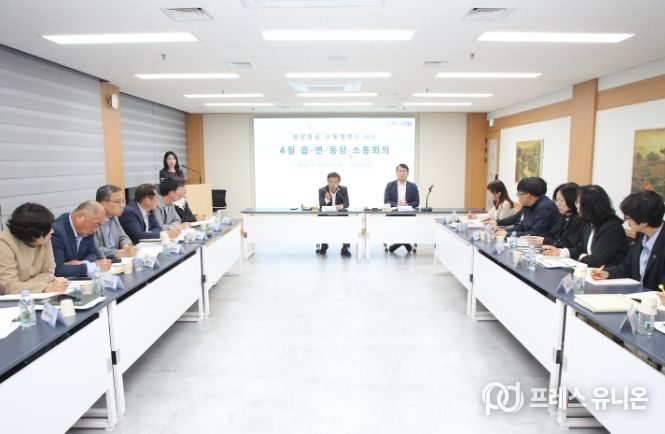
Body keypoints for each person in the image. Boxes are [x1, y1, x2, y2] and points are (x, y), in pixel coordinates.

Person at [591, 190, 665, 294]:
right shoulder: (641, 234)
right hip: (637, 296)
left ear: (644, 221)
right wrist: (607, 273)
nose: (626, 221)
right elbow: (627, 267)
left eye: (628, 217)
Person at [543, 185, 628, 267]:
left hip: (606, 274)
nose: (576, 206)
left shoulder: (611, 228)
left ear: (588, 205)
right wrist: (559, 252)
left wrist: (581, 257)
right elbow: (580, 248)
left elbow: (596, 260)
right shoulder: (590, 223)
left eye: (578, 202)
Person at [0, 203, 69, 294]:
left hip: (32, 296)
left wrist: (22, 286)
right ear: (33, 235)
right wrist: (44, 288)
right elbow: (8, 287)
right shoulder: (4, 243)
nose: (52, 231)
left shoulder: (44, 238)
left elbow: (49, 273)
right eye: (48, 229)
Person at [51, 201, 112, 278]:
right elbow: (57, 270)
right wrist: (91, 267)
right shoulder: (57, 231)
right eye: (97, 224)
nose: (95, 230)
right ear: (80, 218)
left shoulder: (87, 230)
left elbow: (93, 253)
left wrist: (83, 263)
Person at [492, 177, 559, 238]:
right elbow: (522, 227)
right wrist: (505, 231)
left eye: (519, 194)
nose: (518, 197)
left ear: (527, 196)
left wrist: (507, 234)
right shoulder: (528, 204)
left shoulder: (545, 208)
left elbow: (535, 234)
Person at [523, 182, 583, 248]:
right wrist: (536, 238)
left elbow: (569, 243)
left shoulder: (578, 219)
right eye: (557, 200)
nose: (558, 204)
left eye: (561, 200)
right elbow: (552, 235)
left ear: (572, 200)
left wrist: (544, 240)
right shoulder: (563, 216)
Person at [384, 163, 420, 254]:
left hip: (408, 214)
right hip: (394, 214)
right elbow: (386, 201)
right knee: (398, 228)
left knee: (406, 226)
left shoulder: (413, 186)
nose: (402, 173)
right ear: (396, 172)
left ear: (408, 173)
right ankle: (405, 243)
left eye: (404, 171)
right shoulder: (390, 185)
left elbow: (417, 202)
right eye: (400, 171)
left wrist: (407, 204)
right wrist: (397, 204)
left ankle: (398, 244)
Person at [94, 184, 135, 259]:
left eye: (123, 201)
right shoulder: (93, 221)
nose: (122, 206)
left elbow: (123, 237)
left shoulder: (114, 217)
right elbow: (94, 248)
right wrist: (117, 253)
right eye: (118, 202)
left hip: (117, 261)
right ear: (103, 204)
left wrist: (125, 246)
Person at [316, 172, 351, 257]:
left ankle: (345, 247)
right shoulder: (322, 190)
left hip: (339, 213)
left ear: (339, 182)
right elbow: (321, 205)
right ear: (327, 181)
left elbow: (346, 203)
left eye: (335, 182)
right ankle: (324, 244)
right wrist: (327, 199)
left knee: (345, 218)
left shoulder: (343, 189)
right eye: (330, 181)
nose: (333, 184)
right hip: (326, 214)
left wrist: (341, 206)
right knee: (321, 218)